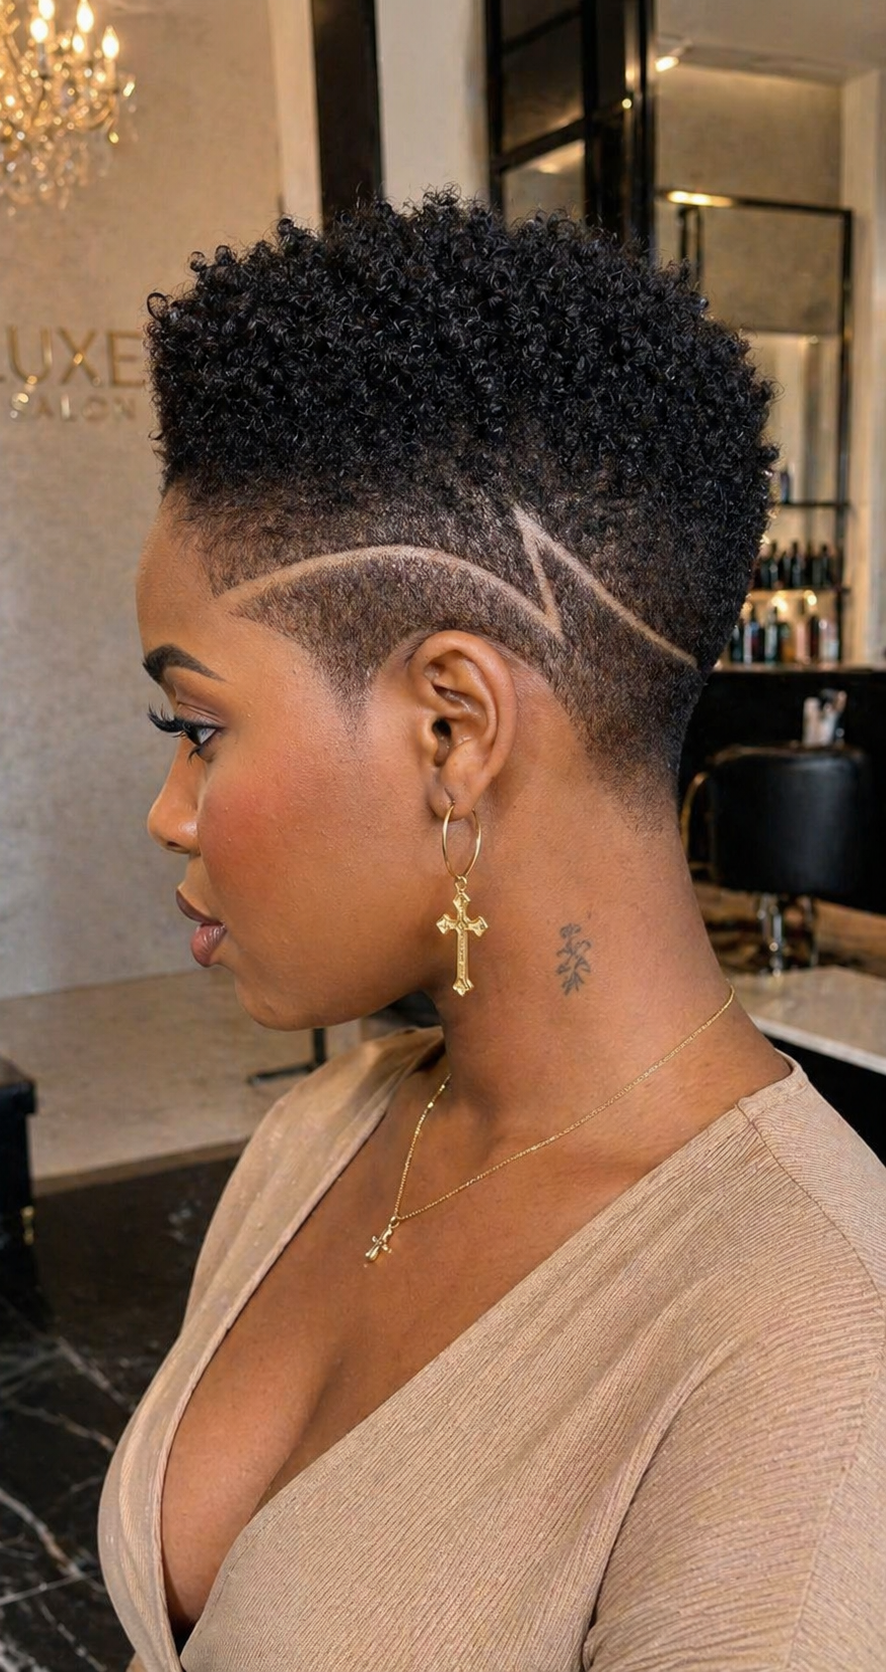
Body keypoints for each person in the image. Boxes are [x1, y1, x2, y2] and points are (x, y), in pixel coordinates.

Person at [98, 194, 886, 1671]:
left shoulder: (810, 1344)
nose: (169, 814)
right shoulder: (323, 1131)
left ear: (453, 731)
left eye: (195, 728)